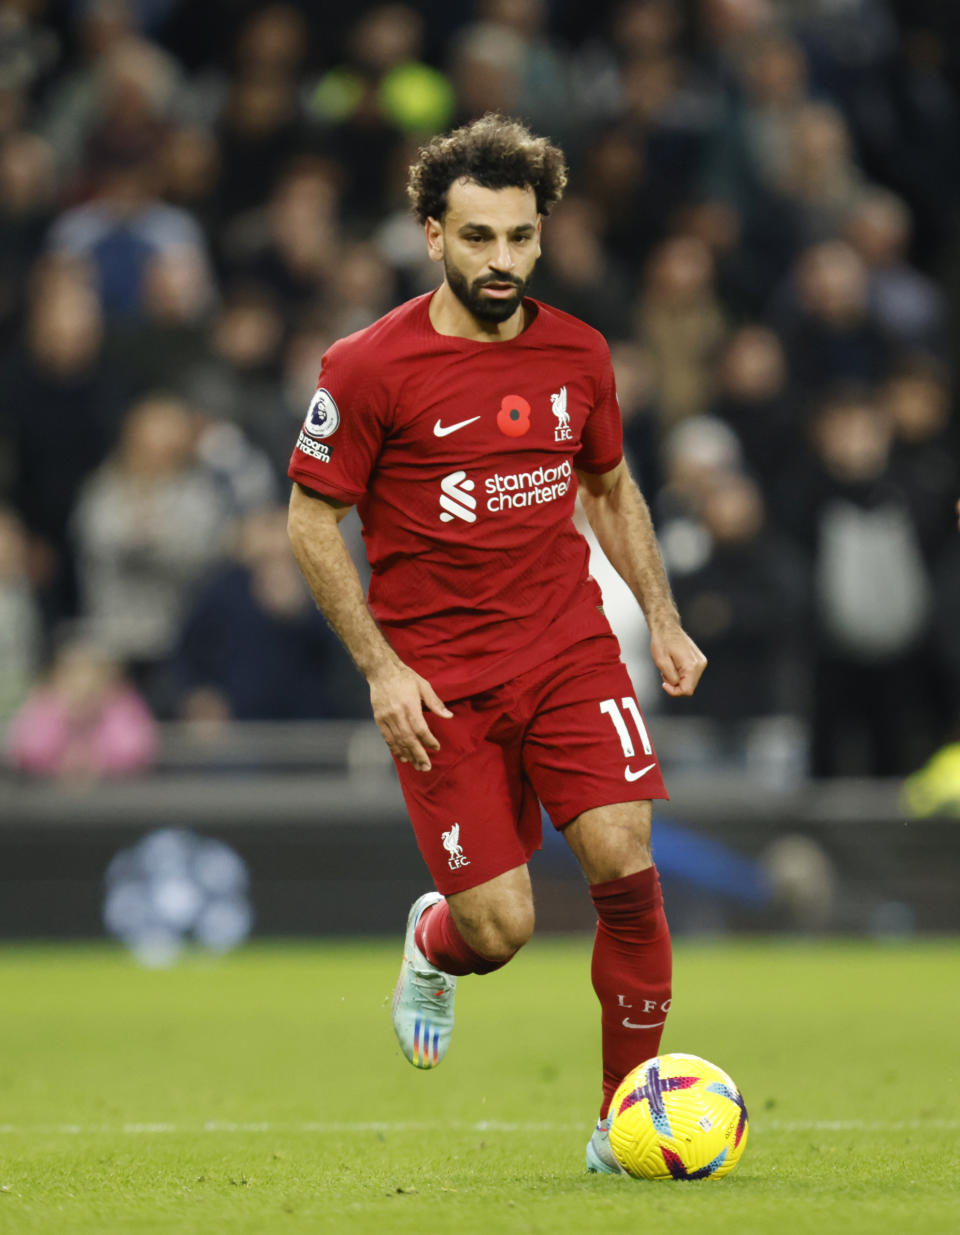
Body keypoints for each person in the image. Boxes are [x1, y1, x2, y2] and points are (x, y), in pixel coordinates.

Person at [285, 114, 707, 1174]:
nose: (504, 261)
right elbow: (307, 520)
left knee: (624, 857)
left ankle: (626, 1123)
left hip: (567, 651)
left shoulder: (579, 351)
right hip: (439, 685)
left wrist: (659, 613)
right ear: (432, 234)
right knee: (501, 928)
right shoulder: (369, 364)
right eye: (479, 238)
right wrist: (382, 667)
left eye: (521, 237)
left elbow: (607, 488)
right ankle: (436, 942)